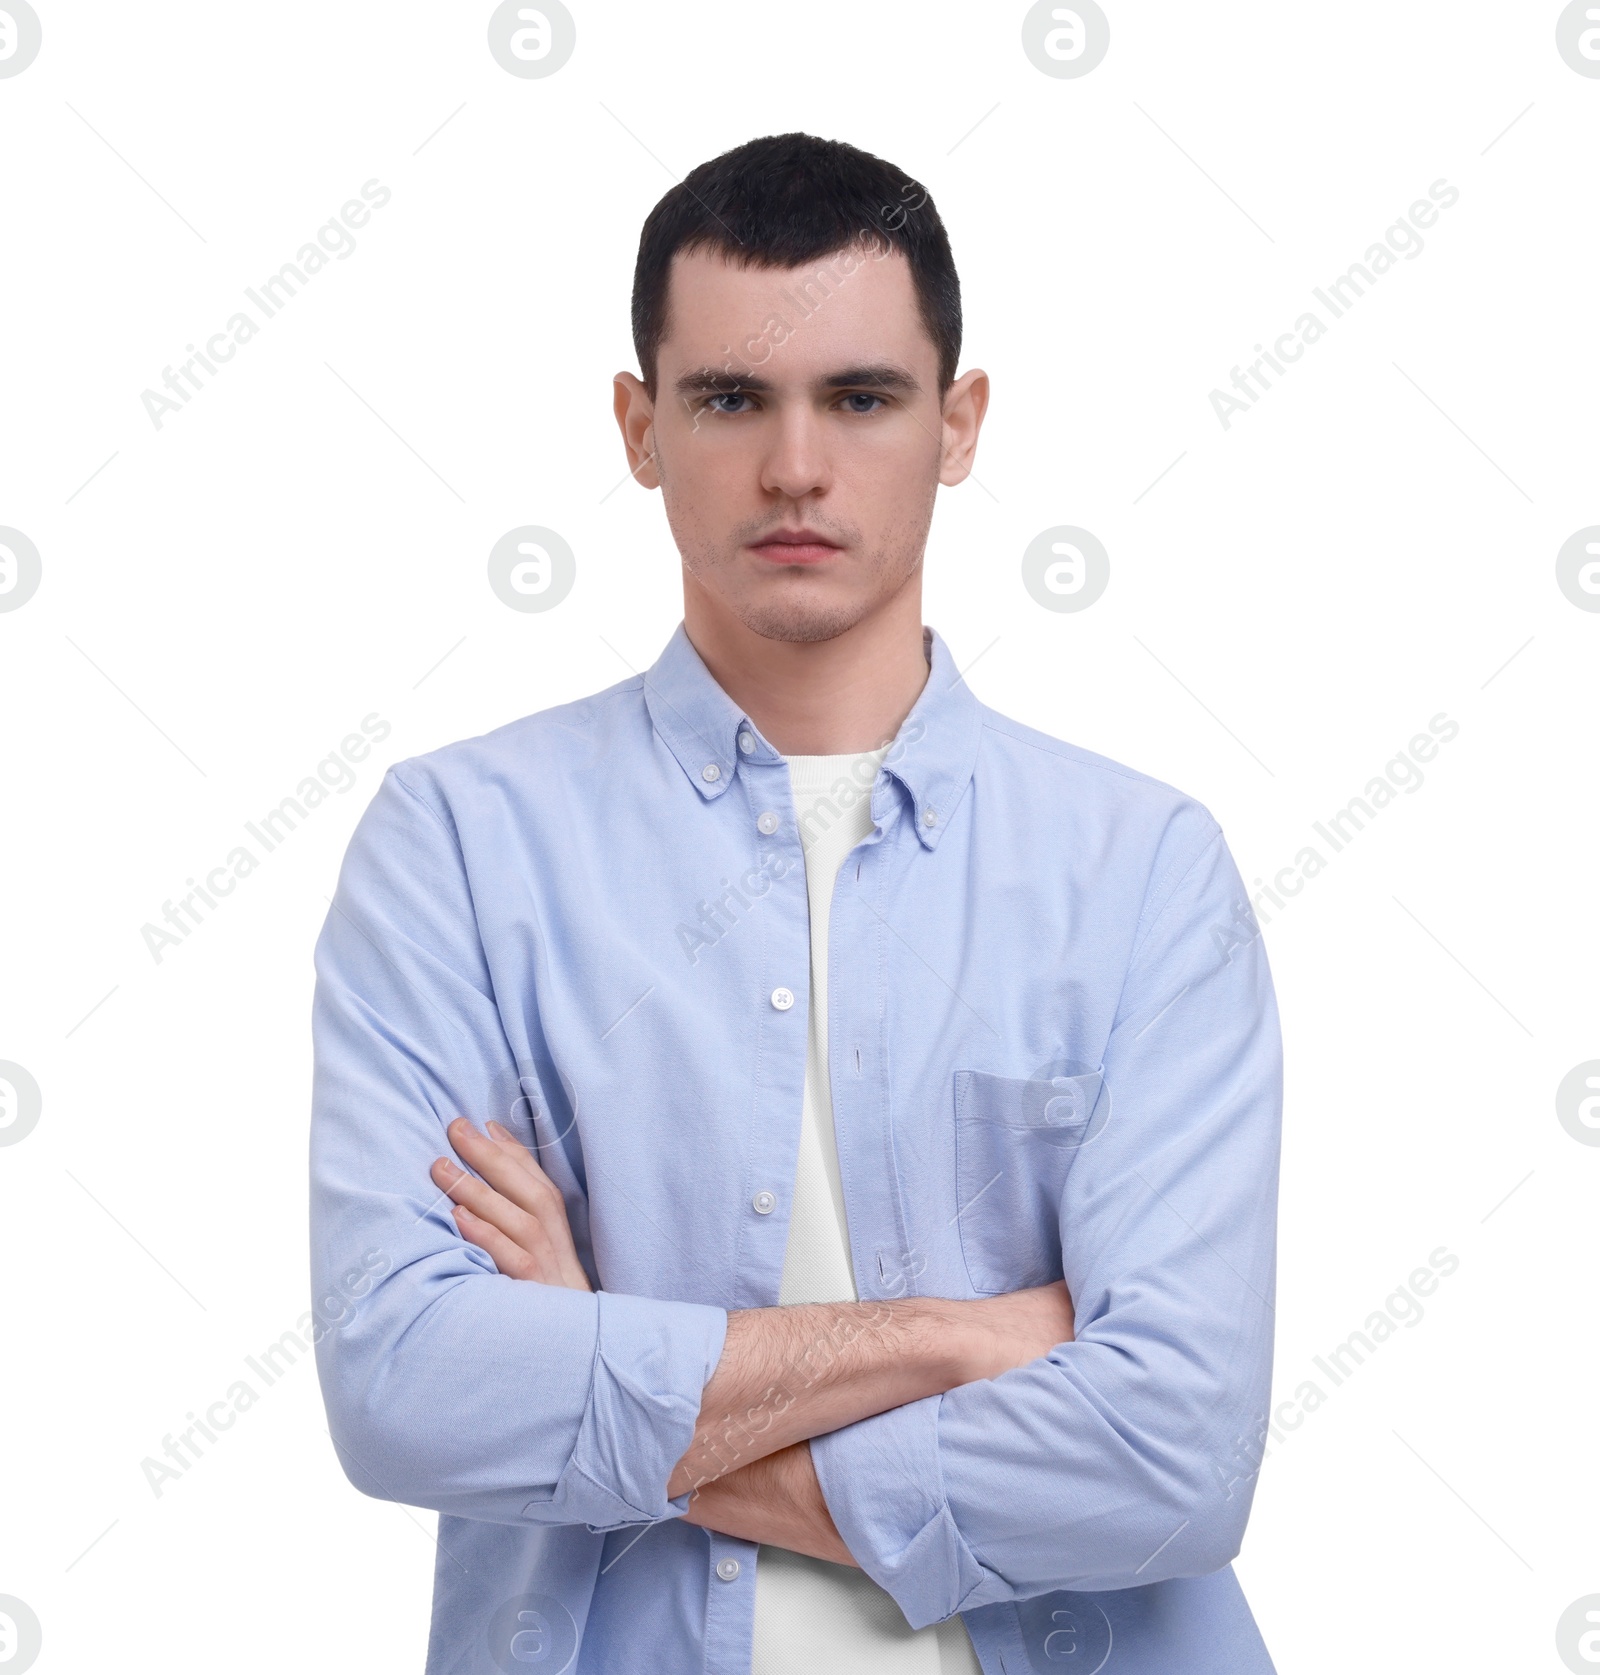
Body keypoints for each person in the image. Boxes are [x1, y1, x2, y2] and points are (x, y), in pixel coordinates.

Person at [310, 131, 1282, 1675]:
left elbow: (1177, 1461)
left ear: (959, 425)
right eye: (728, 398)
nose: (796, 469)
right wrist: (962, 1336)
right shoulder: (461, 844)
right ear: (639, 427)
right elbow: (405, 1383)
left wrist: (606, 1369)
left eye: (863, 397)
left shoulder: (1143, 868)